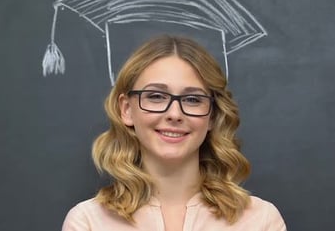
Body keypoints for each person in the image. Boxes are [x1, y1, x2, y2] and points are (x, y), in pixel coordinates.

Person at [62, 35, 286, 231]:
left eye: (192, 99)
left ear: (213, 115)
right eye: (156, 96)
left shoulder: (261, 221)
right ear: (127, 110)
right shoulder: (88, 222)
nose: (175, 114)